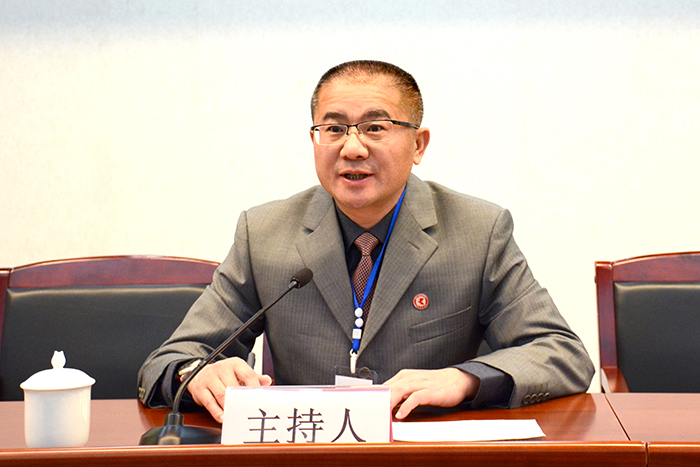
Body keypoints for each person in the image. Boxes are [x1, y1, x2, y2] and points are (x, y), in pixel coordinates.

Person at [138, 60, 594, 423]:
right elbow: (168, 361)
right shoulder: (265, 233)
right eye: (334, 128)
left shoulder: (478, 231)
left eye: (375, 128)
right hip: (310, 454)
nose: (352, 148)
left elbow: (561, 354)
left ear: (418, 145)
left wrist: (464, 380)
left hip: (429, 454)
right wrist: (196, 373)